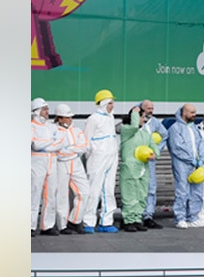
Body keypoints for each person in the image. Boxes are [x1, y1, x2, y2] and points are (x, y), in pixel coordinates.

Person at [81, 91, 121, 232]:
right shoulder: (93, 119)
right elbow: (86, 140)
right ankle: (88, 221)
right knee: (94, 189)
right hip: (98, 158)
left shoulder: (110, 117)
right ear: (103, 103)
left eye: (112, 103)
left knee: (108, 189)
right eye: (109, 103)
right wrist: (93, 155)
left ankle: (106, 221)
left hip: (111, 157)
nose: (112, 106)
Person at [163, 104, 204, 228]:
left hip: (196, 165)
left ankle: (193, 217)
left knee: (197, 191)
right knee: (182, 191)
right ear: (184, 113)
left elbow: (201, 144)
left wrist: (201, 159)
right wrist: (191, 159)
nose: (194, 115)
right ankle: (180, 218)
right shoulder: (175, 128)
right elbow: (177, 147)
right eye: (192, 112)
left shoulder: (194, 128)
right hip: (182, 164)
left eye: (195, 112)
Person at [115, 109, 160, 232]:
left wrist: (154, 155)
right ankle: (128, 220)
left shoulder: (145, 133)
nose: (143, 120)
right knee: (129, 195)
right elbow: (134, 127)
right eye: (142, 117)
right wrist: (135, 112)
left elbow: (154, 147)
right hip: (129, 168)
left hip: (142, 168)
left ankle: (137, 219)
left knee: (141, 194)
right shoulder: (126, 130)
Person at [50, 104, 90, 234]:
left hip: (76, 164)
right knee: (62, 195)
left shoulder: (77, 130)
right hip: (61, 165)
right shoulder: (53, 131)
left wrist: (69, 150)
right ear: (59, 118)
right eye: (66, 117)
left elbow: (84, 147)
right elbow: (57, 151)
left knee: (84, 192)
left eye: (70, 117)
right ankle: (62, 225)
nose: (70, 119)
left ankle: (75, 220)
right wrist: (74, 150)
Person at [30, 98, 67, 236]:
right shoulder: (31, 126)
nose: (47, 111)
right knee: (34, 194)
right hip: (36, 162)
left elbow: (61, 142)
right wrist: (51, 143)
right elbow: (35, 145)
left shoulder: (51, 126)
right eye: (44, 109)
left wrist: (46, 145)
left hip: (52, 161)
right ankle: (30, 226)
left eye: (47, 108)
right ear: (36, 111)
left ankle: (47, 225)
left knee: (51, 194)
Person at [132, 100, 165, 229]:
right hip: (136, 160)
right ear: (141, 108)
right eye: (148, 108)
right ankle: (134, 216)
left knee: (150, 188)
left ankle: (148, 216)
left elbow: (165, 135)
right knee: (135, 188)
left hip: (149, 160)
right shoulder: (134, 121)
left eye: (152, 108)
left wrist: (156, 151)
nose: (151, 110)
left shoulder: (155, 122)